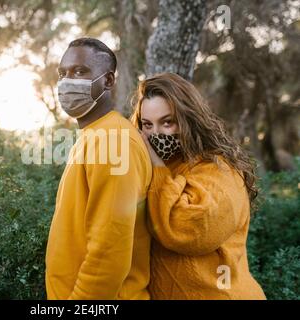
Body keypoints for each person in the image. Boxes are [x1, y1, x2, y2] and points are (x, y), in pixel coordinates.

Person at [131, 72, 266, 299]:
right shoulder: (156, 167)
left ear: (188, 118)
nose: (156, 134)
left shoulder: (219, 169)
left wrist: (156, 165)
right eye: (147, 124)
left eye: (167, 122)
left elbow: (185, 228)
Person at [45, 38, 153, 300]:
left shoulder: (116, 142)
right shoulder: (94, 135)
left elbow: (109, 250)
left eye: (80, 71)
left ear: (108, 81)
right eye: (63, 73)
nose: (68, 80)